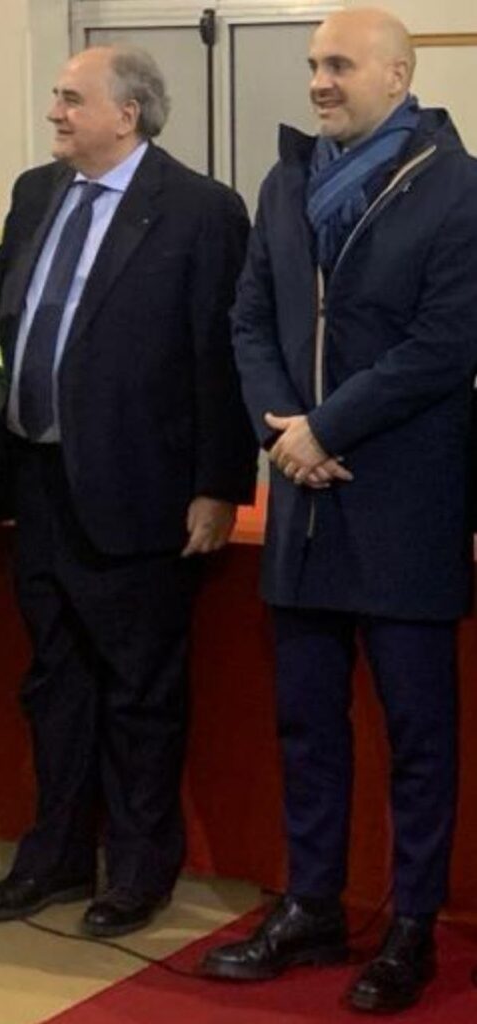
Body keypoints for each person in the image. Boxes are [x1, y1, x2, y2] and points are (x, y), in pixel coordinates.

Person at [201, 7, 477, 1013]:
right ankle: (312, 905)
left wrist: (326, 428)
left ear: (398, 76)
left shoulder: (458, 188)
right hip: (303, 510)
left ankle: (410, 928)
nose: (319, 80)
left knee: (418, 739)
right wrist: (283, 432)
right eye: (315, 63)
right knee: (305, 727)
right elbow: (248, 319)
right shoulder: (285, 182)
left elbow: (447, 343)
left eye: (341, 64)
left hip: (404, 506)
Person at [0, 44, 256, 938]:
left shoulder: (199, 210)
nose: (55, 112)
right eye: (56, 97)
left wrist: (219, 485)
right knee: (53, 682)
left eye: (72, 99)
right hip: (38, 481)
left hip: (141, 489)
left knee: (140, 691)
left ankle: (140, 871)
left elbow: (219, 357)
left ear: (127, 113)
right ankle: (57, 856)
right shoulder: (36, 192)